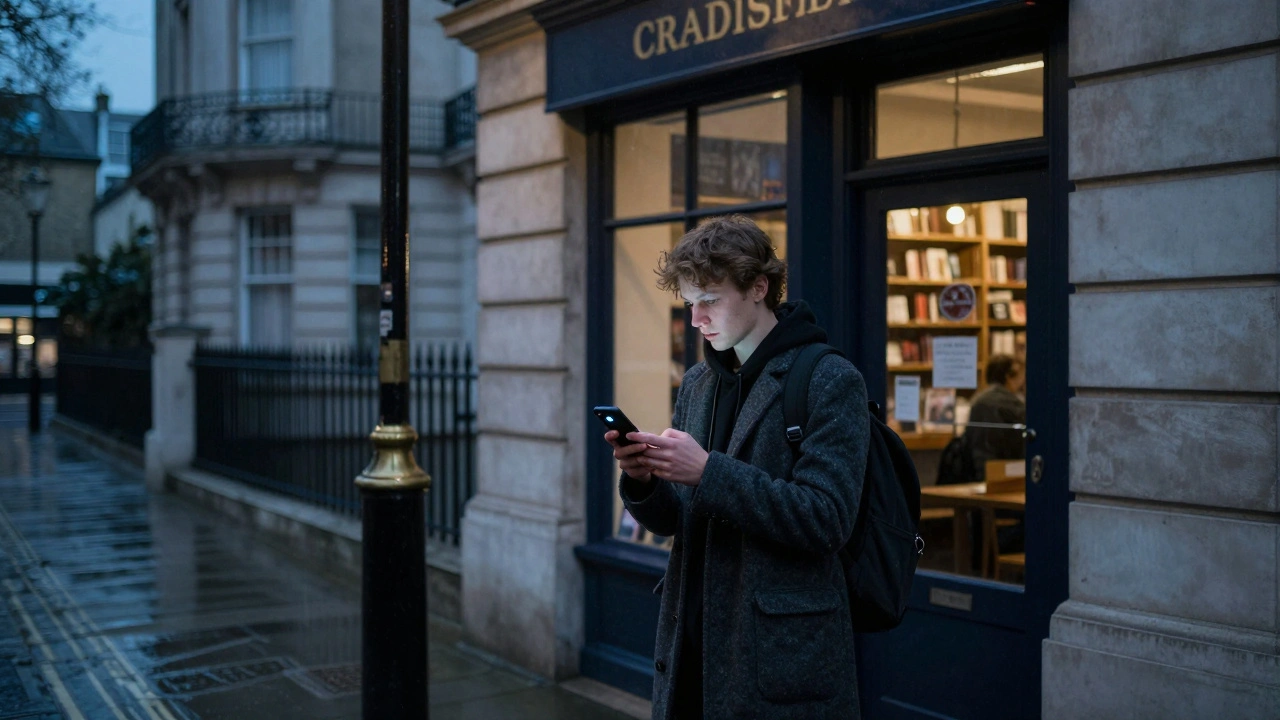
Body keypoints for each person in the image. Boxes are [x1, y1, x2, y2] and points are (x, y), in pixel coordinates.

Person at [604, 215, 870, 720]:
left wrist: (708, 472)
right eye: (689, 303)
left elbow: (827, 518)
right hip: (690, 644)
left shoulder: (830, 379)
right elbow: (678, 520)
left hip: (775, 654)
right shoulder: (701, 382)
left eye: (710, 300)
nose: (697, 318)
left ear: (759, 287)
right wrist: (642, 480)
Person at [965, 354, 1026, 480]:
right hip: (1005, 472)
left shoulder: (978, 400)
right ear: (1009, 377)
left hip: (975, 470)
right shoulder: (1013, 404)